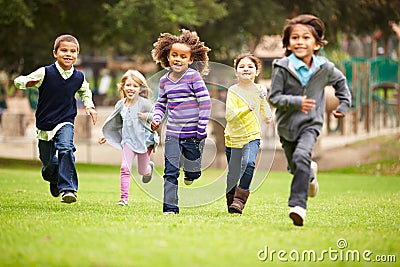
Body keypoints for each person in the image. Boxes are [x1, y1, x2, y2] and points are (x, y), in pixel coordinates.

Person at [269, 14, 352, 226]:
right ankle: (310, 177)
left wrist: (343, 105)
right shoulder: (282, 67)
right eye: (295, 37)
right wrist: (297, 102)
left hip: (311, 124)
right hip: (287, 126)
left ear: (316, 44)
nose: (300, 42)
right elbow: (274, 97)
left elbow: (341, 84)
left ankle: (298, 206)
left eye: (306, 38)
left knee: (301, 156)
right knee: (295, 165)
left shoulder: (324, 68)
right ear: (288, 43)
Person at [14, 34, 97, 203]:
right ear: (55, 53)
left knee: (66, 148)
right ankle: (53, 178)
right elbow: (18, 80)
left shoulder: (79, 77)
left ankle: (68, 189)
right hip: (45, 123)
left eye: (73, 51)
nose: (68, 54)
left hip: (66, 120)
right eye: (64, 50)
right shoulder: (45, 72)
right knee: (49, 163)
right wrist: (27, 84)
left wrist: (89, 106)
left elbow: (85, 91)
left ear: (77, 54)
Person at [151, 29, 212, 214]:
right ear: (167, 57)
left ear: (190, 59)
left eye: (183, 56)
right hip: (173, 134)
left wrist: (201, 126)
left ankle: (192, 171)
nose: (178, 59)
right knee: (170, 171)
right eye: (174, 55)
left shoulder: (193, 77)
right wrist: (156, 118)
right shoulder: (164, 81)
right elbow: (161, 104)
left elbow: (205, 102)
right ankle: (170, 207)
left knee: (193, 171)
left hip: (194, 133)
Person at [98, 69, 158, 206]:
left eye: (135, 86)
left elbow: (158, 116)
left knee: (143, 171)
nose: (131, 88)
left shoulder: (144, 103)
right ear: (123, 86)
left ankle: (149, 168)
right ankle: (123, 199)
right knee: (125, 168)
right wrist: (106, 135)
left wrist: (147, 117)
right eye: (128, 85)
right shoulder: (120, 104)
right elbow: (114, 122)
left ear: (140, 88)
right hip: (128, 142)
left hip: (144, 142)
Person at [224, 53, 272, 214]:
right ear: (236, 72)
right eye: (242, 66)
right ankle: (231, 198)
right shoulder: (233, 91)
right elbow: (229, 116)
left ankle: (239, 200)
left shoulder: (259, 89)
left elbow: (265, 110)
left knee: (249, 163)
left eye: (250, 66)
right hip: (233, 138)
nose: (246, 69)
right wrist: (247, 109)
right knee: (233, 174)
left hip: (252, 136)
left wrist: (266, 108)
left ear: (257, 71)